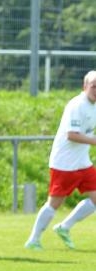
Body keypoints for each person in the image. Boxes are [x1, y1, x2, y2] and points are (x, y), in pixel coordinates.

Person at [24, 70, 96, 250]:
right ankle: (33, 240)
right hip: (64, 164)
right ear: (84, 86)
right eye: (94, 85)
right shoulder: (77, 105)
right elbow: (72, 135)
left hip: (82, 162)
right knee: (54, 203)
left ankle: (64, 227)